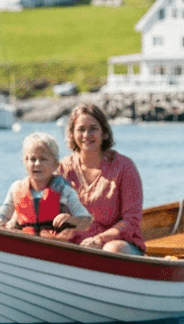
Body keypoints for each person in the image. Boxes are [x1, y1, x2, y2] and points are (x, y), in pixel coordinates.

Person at [57, 104, 146, 255]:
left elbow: (131, 221)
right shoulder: (63, 169)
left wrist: (99, 240)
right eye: (81, 129)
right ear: (72, 134)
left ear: (104, 133)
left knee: (112, 249)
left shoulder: (124, 167)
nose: (86, 135)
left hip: (118, 246)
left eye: (93, 129)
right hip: (76, 247)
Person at [0, 132, 92, 238]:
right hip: (23, 242)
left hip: (53, 245)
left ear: (55, 165)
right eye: (32, 159)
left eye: (43, 159)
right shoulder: (15, 189)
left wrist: (70, 219)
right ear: (25, 162)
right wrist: (7, 226)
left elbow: (86, 220)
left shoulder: (64, 190)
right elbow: (1, 220)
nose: (37, 163)